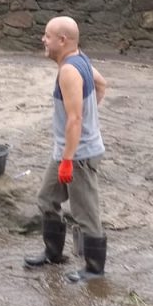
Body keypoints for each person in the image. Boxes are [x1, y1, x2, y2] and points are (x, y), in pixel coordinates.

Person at [24, 16, 108, 282]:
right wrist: (87, 118)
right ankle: (53, 253)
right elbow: (101, 84)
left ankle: (94, 269)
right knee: (47, 198)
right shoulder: (81, 59)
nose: (43, 40)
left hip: (79, 155)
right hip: (67, 150)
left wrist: (69, 159)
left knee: (85, 212)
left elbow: (74, 118)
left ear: (62, 40)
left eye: (47, 36)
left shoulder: (70, 71)